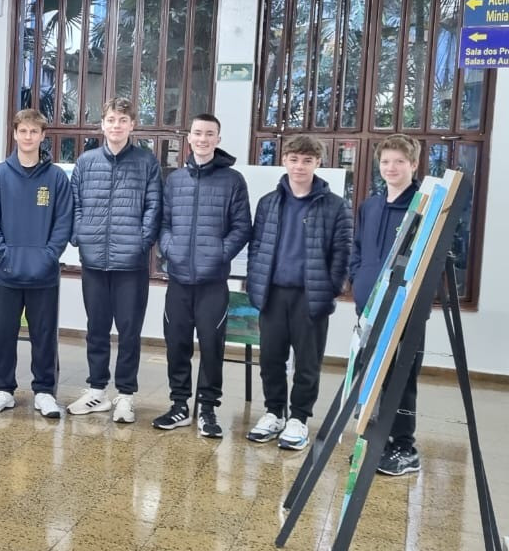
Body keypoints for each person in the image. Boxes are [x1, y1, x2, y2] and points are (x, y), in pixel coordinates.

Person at [245, 135, 352, 450]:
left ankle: (299, 418)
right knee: (271, 358)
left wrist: (330, 289)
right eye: (294, 159)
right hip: (273, 293)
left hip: (310, 296)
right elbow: (257, 247)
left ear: (318, 163)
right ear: (284, 161)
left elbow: (342, 254)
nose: (299, 166)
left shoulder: (335, 206)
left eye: (307, 160)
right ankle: (274, 413)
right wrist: (256, 283)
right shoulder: (268, 202)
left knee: (307, 362)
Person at [152, 114, 251, 437]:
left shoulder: (233, 181)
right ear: (189, 138)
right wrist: (170, 249)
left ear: (218, 139)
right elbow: (163, 223)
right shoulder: (175, 180)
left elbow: (242, 227)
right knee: (176, 344)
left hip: (213, 282)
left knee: (211, 346)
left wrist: (219, 253)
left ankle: (207, 409)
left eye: (210, 134)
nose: (203, 139)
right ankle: (179, 405)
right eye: (198, 133)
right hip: (179, 279)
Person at [66, 97, 162, 424]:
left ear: (132, 125)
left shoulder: (147, 162)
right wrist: (80, 235)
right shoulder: (86, 162)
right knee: (96, 328)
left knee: (129, 331)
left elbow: (154, 207)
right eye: (111, 119)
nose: (116, 125)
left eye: (123, 120)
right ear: (102, 124)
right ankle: (97, 390)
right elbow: (75, 203)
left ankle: (125, 395)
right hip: (93, 259)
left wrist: (141, 242)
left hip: (131, 263)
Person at [0, 109, 73, 417]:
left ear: (43, 136)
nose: (28, 136)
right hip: (6, 272)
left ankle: (44, 392)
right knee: (4, 332)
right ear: (15, 134)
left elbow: (64, 223)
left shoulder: (56, 178)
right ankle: (3, 389)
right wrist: (3, 254)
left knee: (43, 335)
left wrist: (48, 256)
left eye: (34, 131)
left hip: (44, 275)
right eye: (23, 131)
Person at [349, 133, 425, 475]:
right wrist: (357, 279)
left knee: (400, 379)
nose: (391, 168)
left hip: (404, 311)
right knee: (368, 376)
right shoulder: (370, 206)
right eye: (385, 162)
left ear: (413, 165)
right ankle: (373, 441)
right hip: (369, 308)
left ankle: (404, 447)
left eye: (399, 162)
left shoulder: (423, 210)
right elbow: (358, 249)